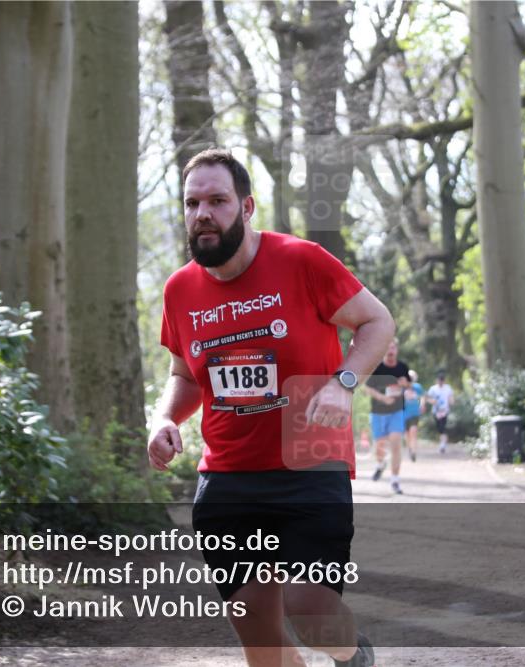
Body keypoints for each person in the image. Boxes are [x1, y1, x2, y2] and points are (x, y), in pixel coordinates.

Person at [148, 148, 392, 667]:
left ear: (247, 206)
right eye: (192, 203)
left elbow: (378, 322)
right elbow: (185, 375)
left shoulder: (301, 261)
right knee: (257, 632)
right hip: (228, 477)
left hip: (309, 463)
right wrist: (165, 417)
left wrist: (344, 382)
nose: (203, 214)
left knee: (310, 610)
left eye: (217, 200)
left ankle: (353, 655)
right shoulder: (179, 290)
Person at [364, 340, 410, 494]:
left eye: (393, 347)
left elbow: (409, 386)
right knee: (380, 446)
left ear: (397, 350)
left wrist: (405, 384)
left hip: (397, 411)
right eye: (388, 347)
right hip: (378, 412)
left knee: (396, 443)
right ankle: (380, 464)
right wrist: (383, 398)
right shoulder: (377, 367)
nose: (390, 350)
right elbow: (367, 388)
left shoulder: (402, 367)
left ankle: (395, 480)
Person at [426, 371, 455, 454]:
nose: (440, 382)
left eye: (442, 381)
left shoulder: (448, 388)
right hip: (436, 411)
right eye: (439, 380)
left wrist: (451, 402)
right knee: (439, 428)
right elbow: (427, 398)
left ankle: (443, 445)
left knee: (443, 427)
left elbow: (451, 397)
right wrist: (432, 401)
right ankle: (443, 443)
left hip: (445, 411)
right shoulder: (433, 388)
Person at [402, 370, 424, 462]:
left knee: (413, 432)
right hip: (404, 414)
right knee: (406, 434)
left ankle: (414, 452)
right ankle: (410, 449)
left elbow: (422, 397)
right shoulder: (402, 388)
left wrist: (422, 405)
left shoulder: (417, 387)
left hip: (415, 413)